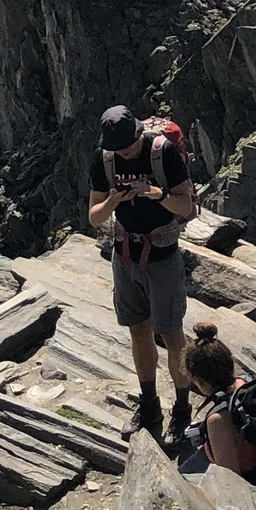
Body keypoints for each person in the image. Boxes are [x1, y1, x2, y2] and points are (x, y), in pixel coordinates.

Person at [87, 104, 197, 438]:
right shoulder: (104, 159)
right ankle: (149, 405)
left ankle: (182, 410)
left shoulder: (162, 154)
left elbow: (186, 205)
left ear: (139, 132)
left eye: (129, 146)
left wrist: (155, 194)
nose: (125, 152)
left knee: (171, 333)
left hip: (162, 254)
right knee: (138, 329)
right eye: (118, 148)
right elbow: (94, 216)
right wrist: (114, 201)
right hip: (124, 254)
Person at [182, 321, 256, 475]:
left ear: (199, 380)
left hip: (252, 476)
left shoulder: (218, 420)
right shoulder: (245, 384)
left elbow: (230, 479)